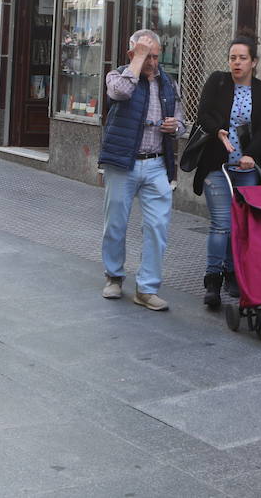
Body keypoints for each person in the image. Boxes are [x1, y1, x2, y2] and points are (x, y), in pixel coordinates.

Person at [191, 34, 261, 310]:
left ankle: (233, 272)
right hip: (217, 166)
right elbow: (203, 114)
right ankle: (213, 279)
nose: (237, 63)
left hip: (247, 168)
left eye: (242, 58)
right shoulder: (217, 82)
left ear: (253, 62)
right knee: (222, 224)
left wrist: (250, 155)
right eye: (232, 58)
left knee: (241, 225)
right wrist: (218, 131)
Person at [99, 28, 183, 311]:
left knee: (158, 226)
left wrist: (175, 127)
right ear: (131, 54)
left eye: (155, 56)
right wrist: (138, 59)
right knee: (115, 223)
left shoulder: (168, 83)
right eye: (147, 56)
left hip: (157, 163)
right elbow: (121, 93)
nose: (153, 62)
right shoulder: (117, 76)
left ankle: (147, 288)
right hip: (123, 162)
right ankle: (113, 276)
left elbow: (182, 122)